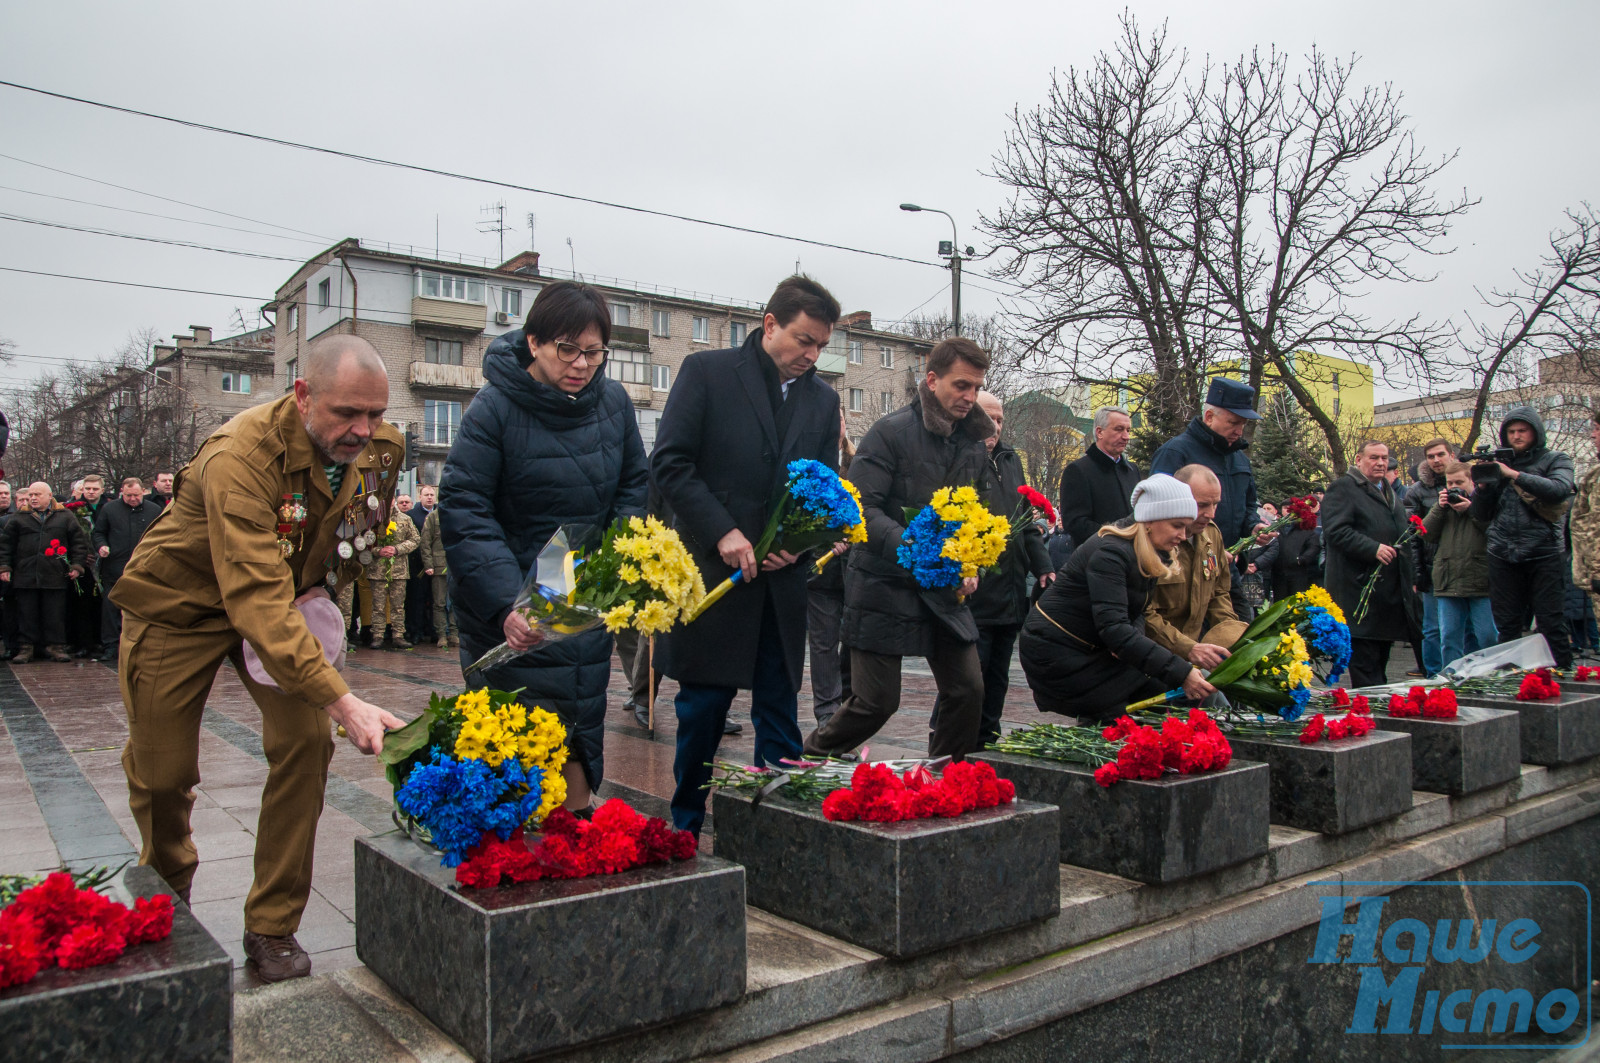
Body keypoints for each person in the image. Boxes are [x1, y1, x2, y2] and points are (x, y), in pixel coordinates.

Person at [111, 334, 406, 983]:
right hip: (181, 605)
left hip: (285, 599)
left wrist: (327, 584)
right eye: (346, 413)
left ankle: (272, 924)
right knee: (164, 774)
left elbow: (360, 529)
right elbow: (253, 596)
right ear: (302, 396)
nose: (363, 429)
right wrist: (344, 698)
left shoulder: (382, 448)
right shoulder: (241, 454)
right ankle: (168, 902)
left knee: (307, 742)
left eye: (375, 413)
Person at [443, 280, 649, 815]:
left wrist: (611, 563)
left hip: (583, 599)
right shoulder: (493, 410)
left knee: (578, 727)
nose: (582, 364)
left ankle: (570, 842)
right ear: (533, 342)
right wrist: (506, 602)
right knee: (516, 752)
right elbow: (465, 508)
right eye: (567, 349)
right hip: (514, 609)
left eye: (595, 351)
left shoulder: (614, 404)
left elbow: (634, 486)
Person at [652, 274, 842, 836]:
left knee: (780, 714)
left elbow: (823, 490)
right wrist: (723, 532)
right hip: (714, 580)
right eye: (804, 341)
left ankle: (774, 835)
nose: (812, 355)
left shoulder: (824, 399)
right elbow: (670, 464)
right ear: (769, 324)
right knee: (704, 711)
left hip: (781, 590)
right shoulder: (707, 373)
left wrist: (801, 546)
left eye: (821, 347)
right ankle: (685, 825)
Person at [802, 336, 997, 763]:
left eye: (977, 388)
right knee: (876, 702)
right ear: (931, 379)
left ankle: (943, 779)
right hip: (882, 582)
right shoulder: (889, 432)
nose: (970, 397)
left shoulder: (973, 445)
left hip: (942, 586)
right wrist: (913, 547)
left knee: (968, 689)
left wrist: (971, 561)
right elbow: (860, 510)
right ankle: (810, 757)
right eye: (961, 385)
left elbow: (974, 513)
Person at [1019, 474, 1213, 721]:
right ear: (1150, 520)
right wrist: (1182, 672)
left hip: (1088, 649)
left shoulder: (1146, 548)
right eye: (1177, 525)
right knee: (1134, 706)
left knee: (1160, 694)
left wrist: (1131, 639)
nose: (1183, 535)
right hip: (1058, 655)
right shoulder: (1111, 552)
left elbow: (1136, 611)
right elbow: (1114, 629)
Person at [930, 391, 1053, 747]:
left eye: (1000, 419)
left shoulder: (1010, 458)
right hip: (974, 592)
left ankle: (986, 742)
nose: (994, 426)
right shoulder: (959, 457)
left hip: (1010, 593)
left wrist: (1043, 564)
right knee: (968, 679)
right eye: (988, 417)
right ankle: (947, 741)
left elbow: (1025, 520)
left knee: (998, 676)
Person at [1150, 379, 1272, 619]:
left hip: (1228, 568)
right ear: (1209, 416)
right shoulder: (1175, 453)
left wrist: (1254, 525)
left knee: (1240, 632)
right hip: (1182, 570)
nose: (1239, 431)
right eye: (1233, 422)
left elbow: (1248, 504)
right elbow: (1156, 515)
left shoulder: (1240, 460)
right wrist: (1206, 550)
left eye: (1243, 424)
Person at [1470, 406, 1576, 668]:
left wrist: (1513, 474)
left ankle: (1563, 674)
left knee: (1551, 621)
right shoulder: (1497, 463)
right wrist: (1483, 487)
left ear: (1535, 432)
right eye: (1511, 431)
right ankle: (1510, 676)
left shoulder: (1555, 459)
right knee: (1506, 624)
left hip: (1544, 551)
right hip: (1502, 551)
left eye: (1522, 431)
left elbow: (1560, 489)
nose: (1516, 436)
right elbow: (1482, 514)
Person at [1322, 441, 1421, 687]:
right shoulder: (1343, 488)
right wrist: (1372, 548)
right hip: (1359, 595)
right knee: (1366, 668)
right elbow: (1336, 531)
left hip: (1386, 597)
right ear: (1358, 459)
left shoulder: (1388, 491)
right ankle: (1369, 716)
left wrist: (1412, 580)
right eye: (1374, 457)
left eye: (1384, 458)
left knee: (1380, 664)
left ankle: (1378, 711)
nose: (1380, 463)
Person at [1143, 465, 1249, 667]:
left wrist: (1231, 636)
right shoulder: (1154, 539)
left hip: (1195, 656)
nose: (1210, 514)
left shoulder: (1212, 535)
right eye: (1202, 505)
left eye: (1215, 505)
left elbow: (1219, 593)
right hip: (1156, 657)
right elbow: (1141, 611)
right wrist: (1187, 648)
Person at [806, 411, 856, 730]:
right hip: (821, 569)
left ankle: (848, 705)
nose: (836, 425)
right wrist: (823, 541)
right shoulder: (809, 464)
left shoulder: (857, 462)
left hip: (855, 569)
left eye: (839, 418)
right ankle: (827, 713)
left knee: (852, 639)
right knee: (824, 642)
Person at [0, 482, 89, 662]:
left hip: (55, 573)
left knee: (55, 614)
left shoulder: (65, 516)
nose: (33, 498)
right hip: (25, 574)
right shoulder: (19, 517)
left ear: (50, 496)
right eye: (31, 494)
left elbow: (79, 543)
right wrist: (4, 567)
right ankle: (26, 648)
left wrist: (76, 566)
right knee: (26, 613)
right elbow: (5, 545)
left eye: (37, 495)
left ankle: (56, 646)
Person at [1422, 461, 1496, 668]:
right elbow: (1424, 534)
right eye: (1450, 482)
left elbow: (1494, 532)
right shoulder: (1443, 508)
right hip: (1448, 581)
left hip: (1480, 580)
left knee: (1487, 636)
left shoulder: (1484, 503)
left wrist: (1472, 509)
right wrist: (1440, 507)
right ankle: (1451, 679)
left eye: (1459, 482)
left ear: (1472, 481)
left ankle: (1488, 675)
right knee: (1449, 638)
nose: (1454, 486)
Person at [91, 477, 163, 662]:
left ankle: (143, 645)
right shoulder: (110, 509)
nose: (132, 499)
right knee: (110, 607)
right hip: (115, 567)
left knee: (142, 608)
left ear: (143, 492)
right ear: (122, 492)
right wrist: (101, 546)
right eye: (128, 495)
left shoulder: (154, 510)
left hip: (144, 568)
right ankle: (110, 646)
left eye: (136, 495)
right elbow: (98, 532)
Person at [1403, 439, 1455, 677]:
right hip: (1432, 564)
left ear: (1451, 455)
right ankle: (1433, 674)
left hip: (1464, 563)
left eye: (1440, 454)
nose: (1436, 460)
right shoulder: (1417, 491)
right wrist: (1417, 572)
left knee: (1463, 627)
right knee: (1432, 626)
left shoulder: (1468, 481)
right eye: (1431, 456)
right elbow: (1411, 535)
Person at [1057, 406, 1139, 547]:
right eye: (1119, 429)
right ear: (1099, 432)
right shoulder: (1078, 471)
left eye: (1128, 430)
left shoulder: (1132, 470)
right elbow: (1075, 523)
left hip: (1134, 558)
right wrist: (1118, 536)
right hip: (1098, 558)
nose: (1126, 437)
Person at [66, 473, 105, 657]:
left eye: (94, 489)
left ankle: (100, 640)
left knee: (102, 603)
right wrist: (82, 556)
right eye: (87, 489)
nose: (90, 492)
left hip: (104, 561)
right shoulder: (73, 509)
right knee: (82, 604)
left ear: (102, 490)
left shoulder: (108, 506)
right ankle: (83, 642)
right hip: (83, 563)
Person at [1569, 410, 1600, 632]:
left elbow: (1596, 527)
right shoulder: (1594, 475)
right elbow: (1580, 521)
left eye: (1597, 429)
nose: (1592, 436)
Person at [417, 499, 456, 650]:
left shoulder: (457, 515)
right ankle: (441, 635)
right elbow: (425, 542)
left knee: (455, 602)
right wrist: (428, 564)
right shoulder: (434, 517)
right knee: (439, 603)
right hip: (439, 566)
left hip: (455, 566)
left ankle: (454, 633)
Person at [1267, 493, 1323, 599]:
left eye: (1290, 508)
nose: (1287, 511)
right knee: (1279, 603)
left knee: (1297, 603)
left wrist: (1301, 559)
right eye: (1285, 508)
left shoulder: (1305, 528)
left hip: (1299, 572)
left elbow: (1314, 546)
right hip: (1278, 573)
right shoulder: (1276, 527)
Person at [406, 485, 438, 645]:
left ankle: (433, 630)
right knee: (417, 600)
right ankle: (415, 631)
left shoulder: (440, 513)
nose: (430, 497)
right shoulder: (411, 516)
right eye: (426, 495)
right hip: (417, 566)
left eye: (432, 494)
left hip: (438, 565)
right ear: (420, 497)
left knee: (436, 600)